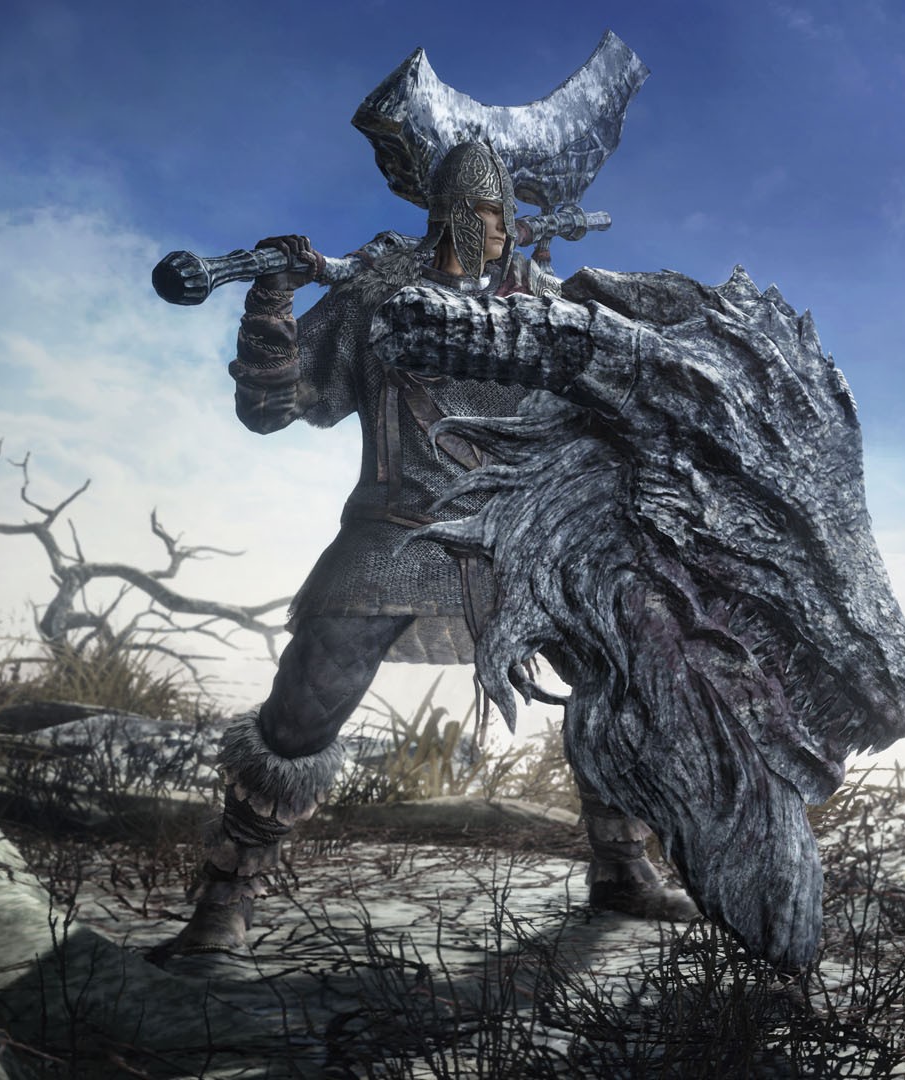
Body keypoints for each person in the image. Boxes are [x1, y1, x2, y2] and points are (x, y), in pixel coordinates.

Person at [165, 141, 698, 957]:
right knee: (306, 700)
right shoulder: (377, 297)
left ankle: (622, 866)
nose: (495, 231)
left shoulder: (546, 306)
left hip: (526, 537)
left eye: (502, 217)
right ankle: (225, 897)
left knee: (617, 683)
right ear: (447, 217)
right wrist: (272, 298)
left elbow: (614, 420)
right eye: (481, 216)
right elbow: (271, 408)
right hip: (397, 528)